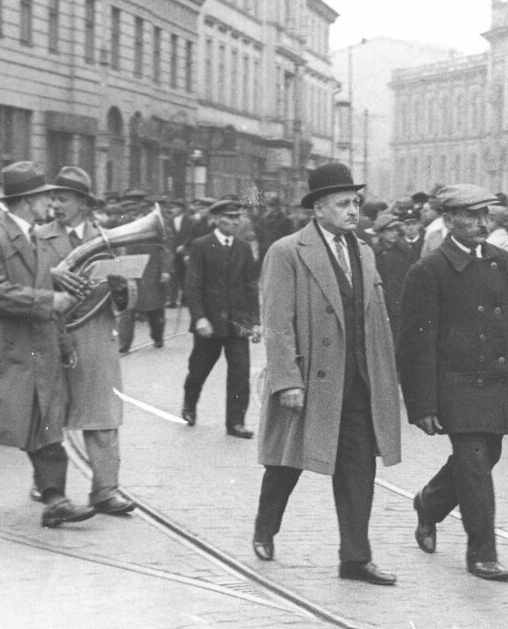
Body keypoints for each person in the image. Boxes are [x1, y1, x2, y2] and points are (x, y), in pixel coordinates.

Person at [254, 162, 401, 586]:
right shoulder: (287, 252)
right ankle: (266, 526)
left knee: (358, 468)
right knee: (288, 462)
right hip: (309, 380)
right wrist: (286, 381)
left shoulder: (364, 251)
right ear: (318, 209)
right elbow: (277, 321)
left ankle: (355, 558)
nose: (353, 210)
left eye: (355, 202)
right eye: (342, 203)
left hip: (357, 380)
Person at [398, 184, 508, 583]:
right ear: (448, 221)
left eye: (486, 215)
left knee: (486, 458)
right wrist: (423, 405)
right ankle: (482, 553)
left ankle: (428, 504)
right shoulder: (428, 271)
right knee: (476, 465)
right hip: (457, 385)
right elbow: (417, 345)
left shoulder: (504, 262)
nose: (482, 223)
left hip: (497, 383)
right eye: (471, 215)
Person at [0, 162, 95, 528]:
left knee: (47, 422)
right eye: (42, 196)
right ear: (25, 200)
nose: (50, 202)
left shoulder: (39, 240)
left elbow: (51, 296)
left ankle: (55, 499)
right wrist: (47, 302)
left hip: (39, 347)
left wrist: (63, 342)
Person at [37, 166, 136, 515]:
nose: (54, 204)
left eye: (62, 198)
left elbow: (129, 288)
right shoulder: (38, 236)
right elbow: (25, 282)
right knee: (48, 417)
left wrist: (123, 291)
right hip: (51, 334)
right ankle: (49, 489)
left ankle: (106, 491)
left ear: (82, 202)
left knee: (103, 419)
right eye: (51, 198)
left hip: (94, 337)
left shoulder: (107, 239)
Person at [181, 199, 261, 438]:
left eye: (238, 217)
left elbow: (250, 286)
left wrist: (255, 321)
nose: (236, 222)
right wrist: (199, 318)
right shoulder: (201, 246)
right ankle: (189, 405)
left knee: (240, 373)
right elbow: (193, 285)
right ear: (217, 219)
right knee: (199, 369)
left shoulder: (243, 247)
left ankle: (235, 422)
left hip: (239, 322)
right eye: (230, 218)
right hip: (210, 322)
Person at [115, 189, 172, 354]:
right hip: (129, 269)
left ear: (143, 204)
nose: (132, 208)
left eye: (135, 204)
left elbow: (166, 246)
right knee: (127, 306)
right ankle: (123, 344)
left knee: (154, 308)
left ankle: (157, 336)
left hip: (151, 270)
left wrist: (166, 269)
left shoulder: (155, 221)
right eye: (128, 204)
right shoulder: (122, 220)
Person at [372, 212, 411, 341]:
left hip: (401, 303)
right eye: (389, 230)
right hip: (381, 305)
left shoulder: (404, 252)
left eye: (396, 229)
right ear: (381, 233)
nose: (394, 233)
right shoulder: (373, 254)